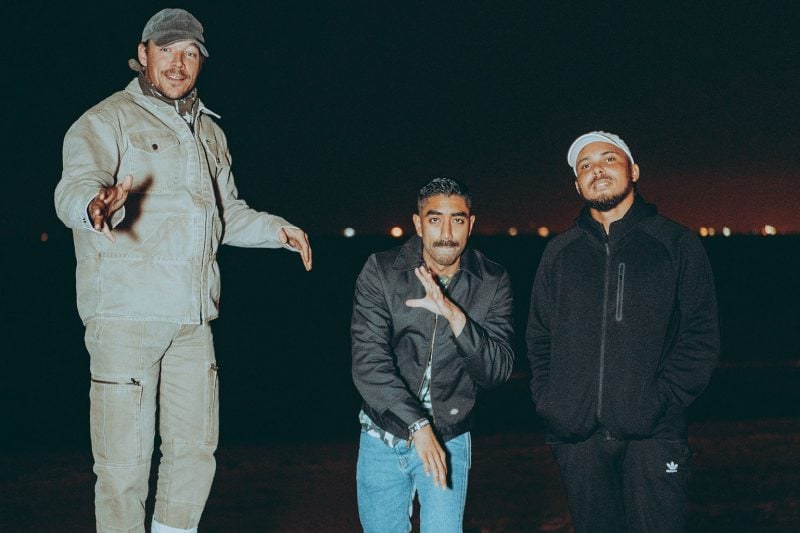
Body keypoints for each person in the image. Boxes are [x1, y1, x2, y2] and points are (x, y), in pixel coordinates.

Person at [54, 8, 312, 533]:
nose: (178, 62)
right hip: (126, 318)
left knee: (195, 453)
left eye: (190, 52)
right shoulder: (105, 120)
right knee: (123, 468)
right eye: (167, 50)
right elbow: (75, 187)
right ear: (143, 54)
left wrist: (276, 230)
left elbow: (225, 213)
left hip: (193, 320)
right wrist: (94, 205)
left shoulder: (209, 131)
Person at [527, 131, 720, 532]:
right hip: (578, 438)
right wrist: (552, 402)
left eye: (608, 159)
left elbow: (700, 334)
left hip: (654, 435)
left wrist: (661, 400)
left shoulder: (676, 243)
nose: (596, 169)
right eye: (585, 165)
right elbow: (540, 337)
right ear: (577, 184)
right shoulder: (559, 252)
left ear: (634, 171)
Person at [351, 177, 515, 532]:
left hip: (450, 435)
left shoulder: (492, 280)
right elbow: (368, 363)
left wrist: (455, 315)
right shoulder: (381, 271)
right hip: (383, 434)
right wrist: (419, 425)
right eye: (435, 219)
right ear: (418, 223)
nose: (446, 233)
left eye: (457, 220)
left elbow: (496, 371)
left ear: (471, 224)